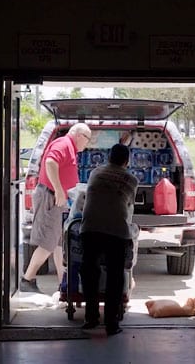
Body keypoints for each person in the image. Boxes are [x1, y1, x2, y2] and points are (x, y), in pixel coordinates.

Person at [20, 122, 93, 294]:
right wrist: (59, 189)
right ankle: (27, 280)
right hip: (51, 197)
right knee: (48, 242)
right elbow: (50, 163)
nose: (87, 143)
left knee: (60, 243)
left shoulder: (69, 147)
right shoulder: (64, 144)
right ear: (79, 135)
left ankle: (64, 284)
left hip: (57, 199)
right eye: (87, 139)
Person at [79, 142, 138, 336]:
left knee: (90, 273)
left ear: (108, 157)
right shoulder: (131, 179)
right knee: (114, 276)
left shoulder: (95, 172)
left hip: (90, 228)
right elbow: (128, 205)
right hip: (116, 231)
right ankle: (111, 323)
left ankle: (91, 318)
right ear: (126, 161)